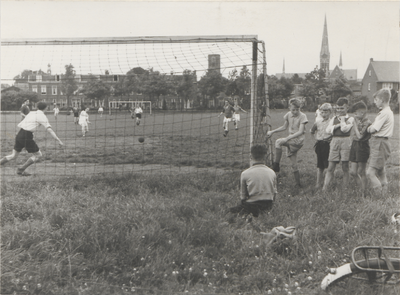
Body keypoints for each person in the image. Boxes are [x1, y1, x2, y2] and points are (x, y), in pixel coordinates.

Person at [0, 102, 64, 176]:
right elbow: (49, 129)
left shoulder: (31, 113)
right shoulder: (42, 116)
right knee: (38, 155)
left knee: (13, 155)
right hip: (26, 136)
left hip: (20, 133)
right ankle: (21, 170)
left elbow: (23, 123)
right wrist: (58, 140)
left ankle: (19, 169)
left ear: (37, 107)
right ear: (46, 108)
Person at [266, 98, 308, 187]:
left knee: (278, 142)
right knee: (294, 164)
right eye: (293, 109)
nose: (295, 111)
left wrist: (287, 138)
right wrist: (272, 132)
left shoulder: (303, 116)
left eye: (298, 109)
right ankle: (298, 184)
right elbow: (284, 127)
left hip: (298, 140)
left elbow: (300, 132)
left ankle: (276, 166)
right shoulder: (288, 114)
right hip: (291, 139)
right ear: (289, 108)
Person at [229, 144, 277, 218]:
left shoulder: (245, 173)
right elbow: (274, 194)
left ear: (251, 156)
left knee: (230, 211)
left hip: (251, 205)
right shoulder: (272, 172)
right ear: (265, 157)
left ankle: (247, 216)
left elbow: (243, 197)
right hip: (268, 205)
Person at [322, 97, 355, 191]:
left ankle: (345, 188)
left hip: (346, 142)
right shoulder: (334, 119)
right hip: (335, 141)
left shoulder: (351, 118)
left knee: (345, 167)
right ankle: (325, 188)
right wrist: (338, 125)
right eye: (338, 108)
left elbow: (345, 129)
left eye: (342, 108)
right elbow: (328, 130)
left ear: (347, 108)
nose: (340, 110)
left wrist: (342, 121)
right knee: (330, 167)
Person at [366, 89, 394, 196]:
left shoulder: (384, 113)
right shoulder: (389, 112)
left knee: (370, 173)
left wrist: (368, 128)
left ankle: (379, 196)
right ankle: (385, 193)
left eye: (376, 99)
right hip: (383, 142)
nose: (375, 102)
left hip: (379, 143)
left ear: (382, 100)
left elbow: (374, 129)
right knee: (381, 169)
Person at [349, 101, 372, 198]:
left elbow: (359, 136)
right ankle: (361, 190)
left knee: (361, 171)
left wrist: (354, 124)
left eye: (355, 113)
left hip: (362, 146)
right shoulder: (358, 120)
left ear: (362, 112)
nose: (354, 115)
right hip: (355, 145)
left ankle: (364, 194)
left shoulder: (367, 122)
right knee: (353, 172)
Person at [310, 103, 333, 190]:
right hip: (319, 144)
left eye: (326, 112)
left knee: (328, 165)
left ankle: (328, 183)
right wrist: (315, 140)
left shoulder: (332, 122)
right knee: (320, 165)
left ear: (330, 112)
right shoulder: (318, 122)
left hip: (328, 145)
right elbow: (312, 131)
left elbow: (333, 134)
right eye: (322, 112)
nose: (324, 114)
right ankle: (318, 183)